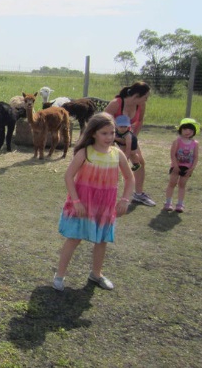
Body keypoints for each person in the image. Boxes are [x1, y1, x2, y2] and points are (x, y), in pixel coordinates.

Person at [53, 113, 135, 292]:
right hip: (83, 204)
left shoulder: (117, 154)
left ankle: (96, 274)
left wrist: (125, 200)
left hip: (105, 205)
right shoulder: (85, 152)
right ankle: (59, 275)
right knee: (74, 238)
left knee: (102, 240)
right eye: (104, 133)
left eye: (112, 133)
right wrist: (76, 201)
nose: (109, 137)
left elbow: (130, 178)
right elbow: (68, 176)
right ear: (93, 134)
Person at [104, 81, 154, 206]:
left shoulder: (140, 105)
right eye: (145, 97)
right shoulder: (117, 103)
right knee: (109, 163)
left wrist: (132, 139)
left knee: (140, 162)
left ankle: (138, 194)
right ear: (136, 95)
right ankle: (103, 192)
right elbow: (103, 121)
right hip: (110, 135)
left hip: (127, 137)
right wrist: (113, 139)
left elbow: (140, 121)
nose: (146, 100)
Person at [164, 118, 199, 213]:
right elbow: (173, 154)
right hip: (176, 166)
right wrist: (175, 166)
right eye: (185, 129)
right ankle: (168, 203)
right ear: (180, 130)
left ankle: (180, 204)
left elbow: (196, 157)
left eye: (190, 130)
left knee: (182, 185)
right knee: (172, 183)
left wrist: (191, 169)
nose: (187, 132)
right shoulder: (177, 141)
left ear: (194, 132)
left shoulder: (195, 143)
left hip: (187, 168)